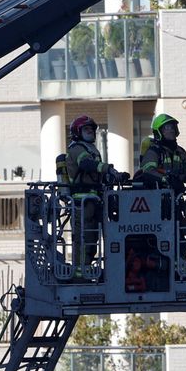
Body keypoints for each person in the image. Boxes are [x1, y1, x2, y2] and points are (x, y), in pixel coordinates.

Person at [62, 115, 124, 280]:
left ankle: (87, 269)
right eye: (86, 129)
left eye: (92, 129)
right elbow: (85, 164)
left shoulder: (91, 149)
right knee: (83, 237)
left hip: (94, 199)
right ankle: (80, 272)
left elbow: (96, 173)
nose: (91, 132)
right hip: (82, 201)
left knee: (93, 237)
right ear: (77, 132)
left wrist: (113, 177)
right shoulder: (76, 149)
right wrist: (108, 168)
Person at [137, 114, 186, 192]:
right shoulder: (154, 151)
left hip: (175, 197)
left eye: (173, 127)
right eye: (167, 128)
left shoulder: (180, 152)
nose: (171, 130)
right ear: (158, 132)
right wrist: (166, 179)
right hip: (155, 197)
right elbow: (148, 171)